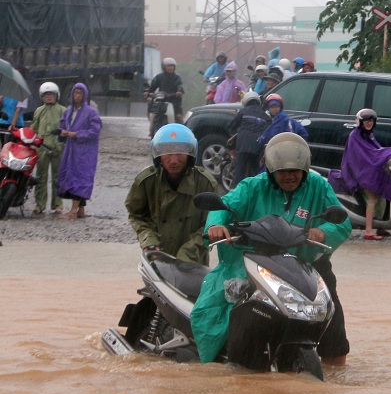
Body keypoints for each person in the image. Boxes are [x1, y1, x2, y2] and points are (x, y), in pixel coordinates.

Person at [190, 133, 352, 365]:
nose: (289, 176)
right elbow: (224, 205)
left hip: (308, 267)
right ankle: (234, 359)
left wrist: (324, 231)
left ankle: (335, 374)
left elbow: (342, 221)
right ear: (270, 170)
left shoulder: (318, 186)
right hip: (260, 264)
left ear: (305, 170)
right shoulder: (252, 186)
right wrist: (216, 225)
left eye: (295, 171)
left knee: (332, 327)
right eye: (283, 172)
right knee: (225, 313)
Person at [126, 124, 219, 263]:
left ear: (190, 154)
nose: (174, 160)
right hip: (157, 259)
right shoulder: (146, 181)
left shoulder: (205, 183)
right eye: (168, 153)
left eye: (180, 153)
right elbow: (136, 215)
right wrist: (149, 241)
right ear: (158, 155)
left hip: (193, 264)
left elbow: (212, 222)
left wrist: (189, 252)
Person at [329, 108, 391, 240]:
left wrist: (387, 154)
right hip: (359, 174)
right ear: (360, 122)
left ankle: (380, 226)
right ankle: (368, 231)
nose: (369, 123)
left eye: (371, 121)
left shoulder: (368, 135)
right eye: (366, 121)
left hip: (367, 172)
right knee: (372, 199)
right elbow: (363, 157)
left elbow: (375, 151)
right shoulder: (355, 136)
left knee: (383, 193)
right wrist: (385, 154)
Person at [57, 83, 102, 219]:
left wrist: (78, 134)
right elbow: (62, 124)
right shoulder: (68, 111)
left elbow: (95, 130)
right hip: (71, 150)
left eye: (80, 93)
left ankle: (73, 210)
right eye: (75, 93)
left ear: (85, 95)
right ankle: (81, 210)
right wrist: (62, 132)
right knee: (71, 176)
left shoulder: (91, 112)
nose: (77, 96)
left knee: (80, 177)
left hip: (85, 152)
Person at [30, 82, 65, 215]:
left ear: (57, 95)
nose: (49, 97)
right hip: (42, 147)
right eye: (46, 95)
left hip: (57, 147)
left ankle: (58, 205)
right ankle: (40, 205)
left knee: (57, 177)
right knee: (40, 177)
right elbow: (33, 128)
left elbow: (67, 127)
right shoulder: (39, 111)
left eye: (51, 94)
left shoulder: (63, 110)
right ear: (42, 97)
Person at [228, 91, 270, 185]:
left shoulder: (243, 111)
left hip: (242, 145)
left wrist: (234, 134)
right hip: (257, 146)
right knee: (255, 171)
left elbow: (232, 126)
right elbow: (269, 130)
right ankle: (254, 192)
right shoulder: (264, 114)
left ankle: (237, 192)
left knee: (239, 172)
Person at [146, 57, 185, 123]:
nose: (171, 68)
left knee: (179, 117)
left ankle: (184, 130)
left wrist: (179, 91)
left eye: (172, 66)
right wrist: (147, 92)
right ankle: (152, 131)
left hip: (174, 101)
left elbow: (179, 85)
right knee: (153, 114)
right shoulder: (159, 77)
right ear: (163, 67)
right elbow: (152, 86)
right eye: (168, 66)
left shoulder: (177, 77)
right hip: (161, 101)